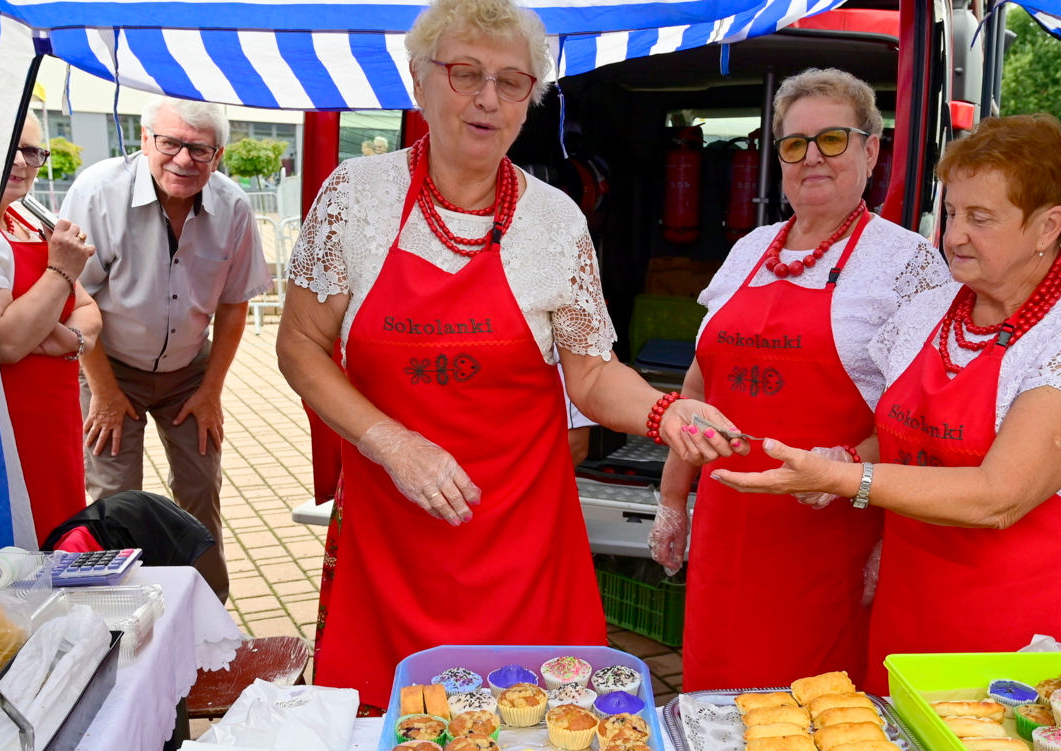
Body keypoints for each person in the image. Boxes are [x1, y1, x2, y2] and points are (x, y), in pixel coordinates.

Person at [276, 0, 743, 710]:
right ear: (419, 82)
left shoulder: (555, 220)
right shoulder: (355, 199)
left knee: (535, 742)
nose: (487, 99)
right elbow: (300, 345)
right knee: (389, 740)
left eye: (512, 81)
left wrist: (663, 412)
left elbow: (588, 370)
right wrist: (392, 443)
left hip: (523, 545)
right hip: (389, 536)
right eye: (465, 74)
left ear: (531, 100)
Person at [715, 115, 1061, 693]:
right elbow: (900, 440)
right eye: (952, 213)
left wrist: (850, 481)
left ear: (1048, 226)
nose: (953, 235)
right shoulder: (929, 312)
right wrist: (838, 459)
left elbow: (1000, 497)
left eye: (980, 219)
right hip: (915, 600)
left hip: (1033, 621)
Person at [648, 69, 951, 691]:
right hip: (728, 527)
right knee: (715, 697)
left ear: (872, 151)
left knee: (810, 720)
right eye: (794, 143)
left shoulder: (909, 262)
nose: (812, 157)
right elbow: (699, 385)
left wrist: (876, 514)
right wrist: (674, 500)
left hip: (829, 529)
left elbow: (924, 416)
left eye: (833, 139)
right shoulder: (749, 248)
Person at [62, 97, 272, 601]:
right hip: (108, 365)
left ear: (218, 155)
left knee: (201, 489)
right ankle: (115, 613)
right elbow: (75, 294)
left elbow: (235, 305)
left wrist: (212, 391)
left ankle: (207, 610)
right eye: (171, 143)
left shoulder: (233, 207)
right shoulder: (98, 190)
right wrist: (106, 393)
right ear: (145, 140)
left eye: (199, 150)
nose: (183, 160)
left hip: (189, 372)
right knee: (117, 497)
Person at [0, 112, 102, 544]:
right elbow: (9, 342)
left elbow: (89, 308)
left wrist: (70, 339)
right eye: (9, 147)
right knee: (29, 534)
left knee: (61, 522)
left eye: (31, 151)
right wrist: (61, 271)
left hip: (57, 413)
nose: (19, 162)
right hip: (14, 420)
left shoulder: (29, 218)